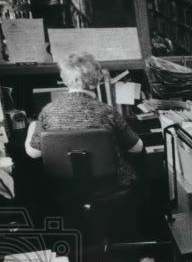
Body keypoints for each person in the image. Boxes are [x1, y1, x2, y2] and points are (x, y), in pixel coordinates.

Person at [24, 53, 143, 186]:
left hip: (64, 187)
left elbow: (34, 153)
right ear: (97, 79)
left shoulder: (48, 111)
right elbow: (137, 148)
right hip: (111, 184)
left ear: (63, 78)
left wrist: (32, 127)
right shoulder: (107, 111)